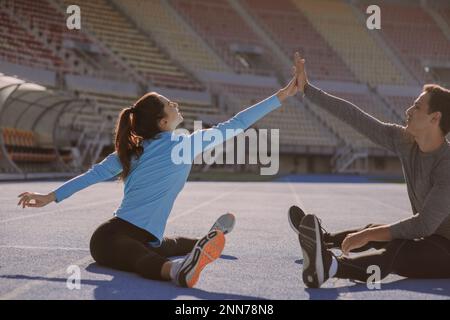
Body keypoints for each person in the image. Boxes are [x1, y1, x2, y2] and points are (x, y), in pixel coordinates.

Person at [17, 65, 300, 288]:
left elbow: (91, 175)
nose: (175, 104)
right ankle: (187, 261)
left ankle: (190, 256)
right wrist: (282, 96)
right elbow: (237, 123)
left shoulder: (141, 151)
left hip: (136, 236)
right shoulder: (175, 146)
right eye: (170, 104)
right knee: (153, 252)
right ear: (163, 122)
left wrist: (49, 197)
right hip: (129, 237)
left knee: (159, 247)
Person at [288, 52, 450, 288]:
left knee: (395, 247)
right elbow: (357, 118)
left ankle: (331, 267)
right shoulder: (406, 142)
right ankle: (322, 241)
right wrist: (308, 90)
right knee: (375, 230)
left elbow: (424, 225)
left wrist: (365, 237)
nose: (409, 111)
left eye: (416, 107)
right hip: (432, 240)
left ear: (435, 118)